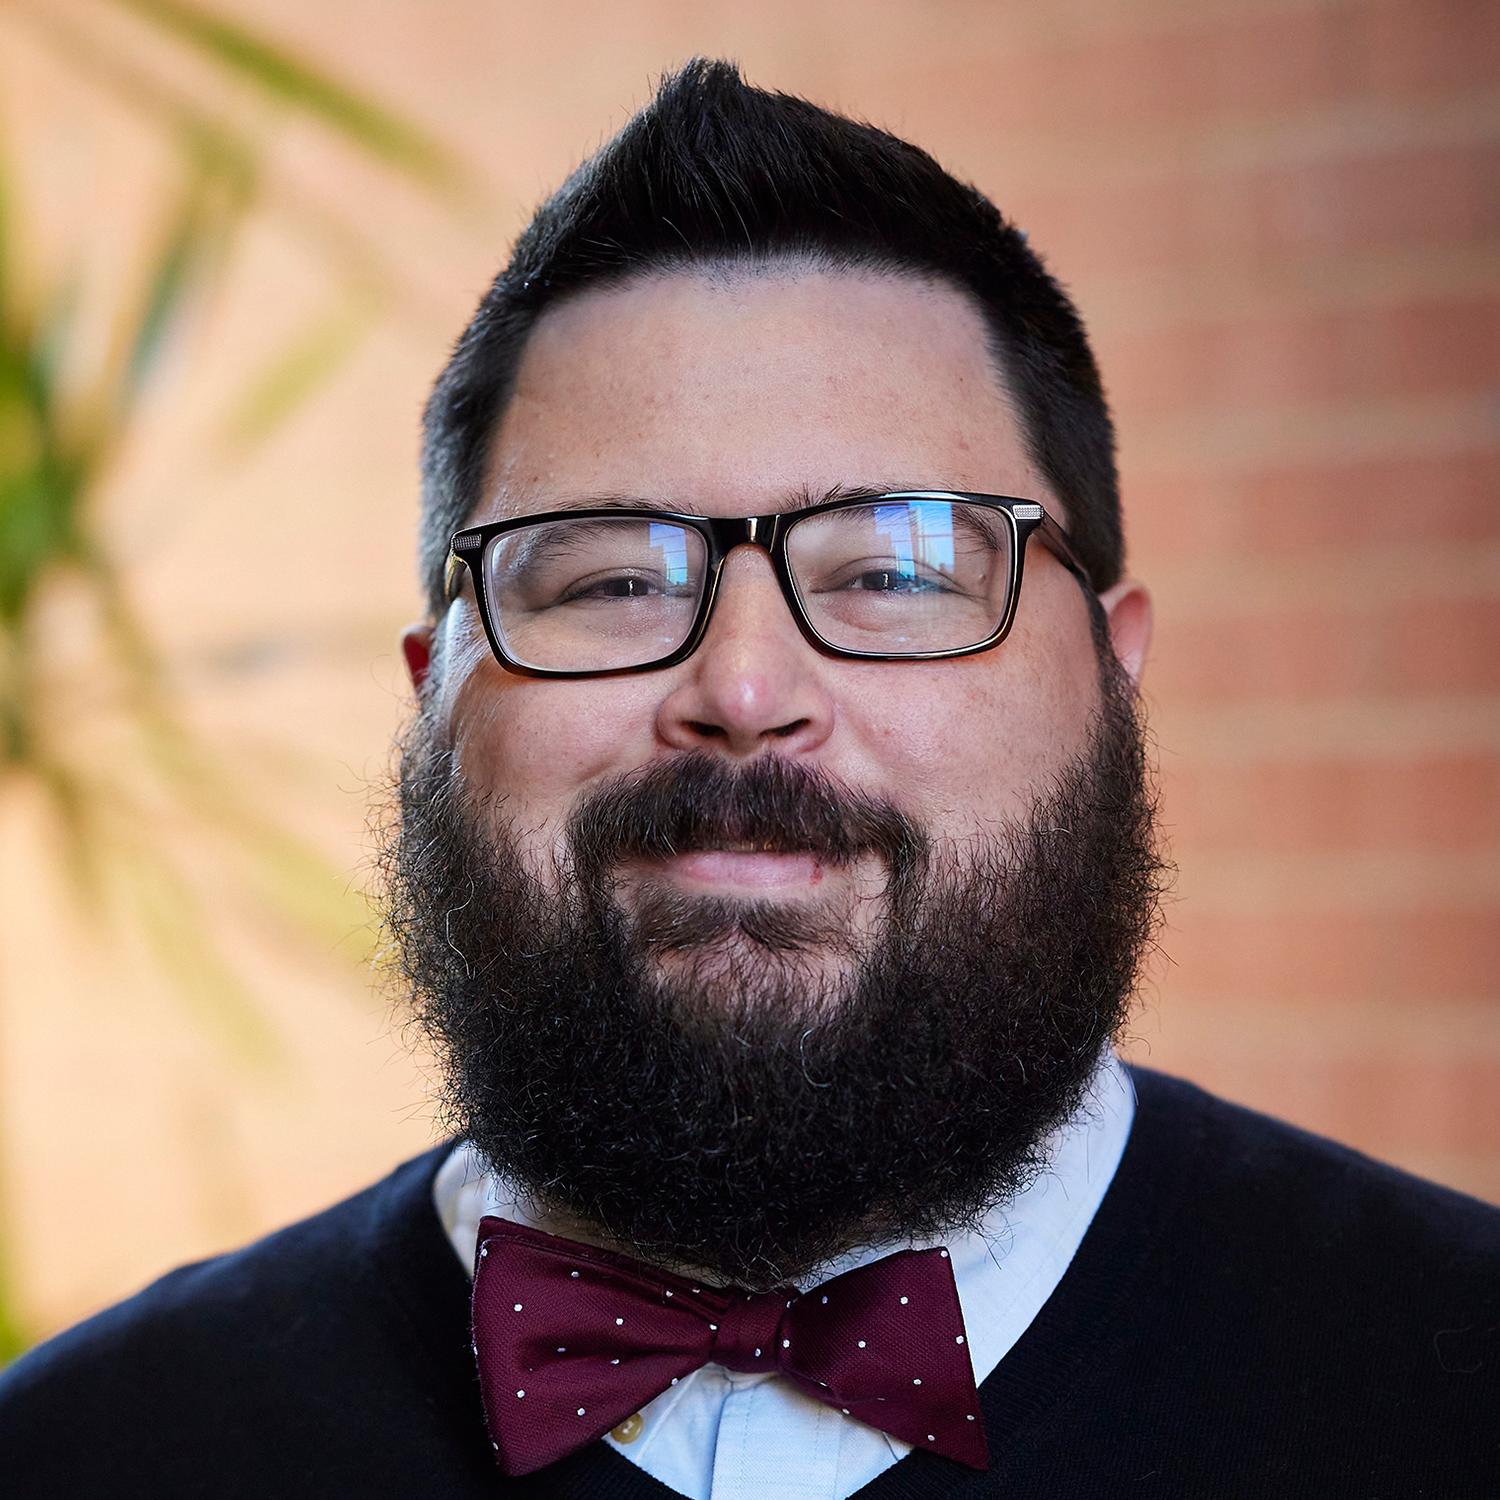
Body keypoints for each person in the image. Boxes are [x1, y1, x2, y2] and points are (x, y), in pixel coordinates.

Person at [1, 60, 1495, 1499]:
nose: (745, 692)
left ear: (1112, 671)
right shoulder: (76, 1454)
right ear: (434, 699)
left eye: (897, 569)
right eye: (606, 583)